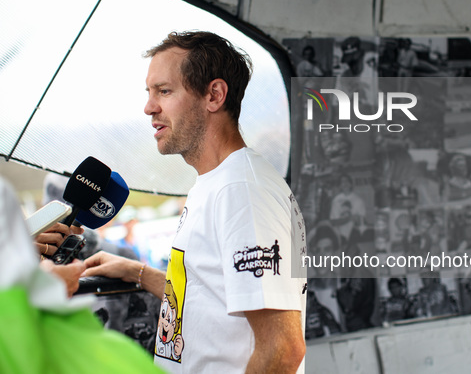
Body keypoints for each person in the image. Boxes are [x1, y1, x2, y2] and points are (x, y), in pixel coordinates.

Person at [82, 31, 307, 373]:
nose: (149, 107)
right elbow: (207, 295)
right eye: (150, 92)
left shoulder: (242, 191)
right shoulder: (215, 182)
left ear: (214, 95)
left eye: (164, 91)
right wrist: (139, 273)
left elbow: (283, 349)